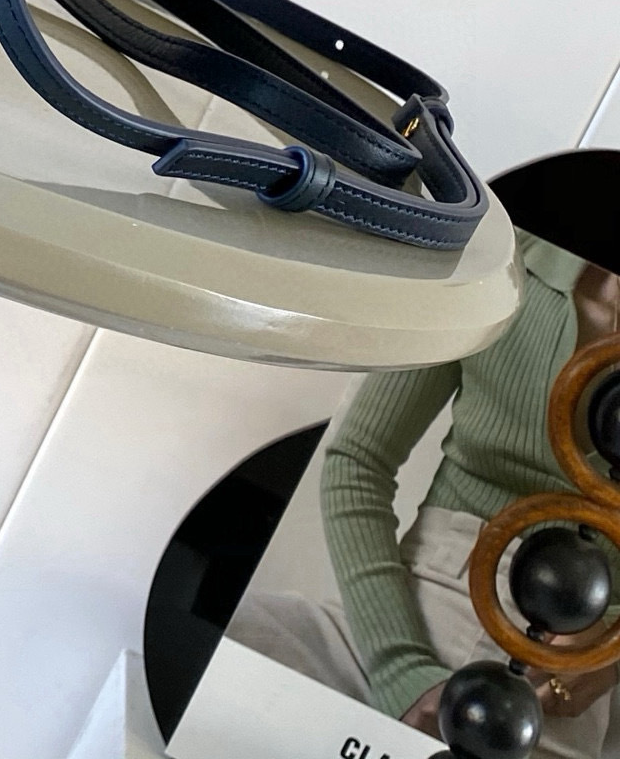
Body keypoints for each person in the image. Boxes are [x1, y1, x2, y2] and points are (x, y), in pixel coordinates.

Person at [229, 233, 620, 759]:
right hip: (411, 603)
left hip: (561, 681)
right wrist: (400, 668)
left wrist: (609, 659)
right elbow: (358, 460)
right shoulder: (501, 258)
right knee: (207, 659)